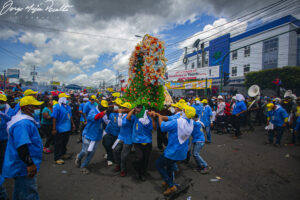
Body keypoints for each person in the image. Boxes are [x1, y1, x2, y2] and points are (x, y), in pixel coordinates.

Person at [2, 96, 44, 200]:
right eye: (35, 106)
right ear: (26, 108)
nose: (38, 109)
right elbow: (22, 145)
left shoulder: (25, 120)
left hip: (22, 163)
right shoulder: (23, 123)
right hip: (23, 165)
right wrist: (29, 164)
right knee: (29, 192)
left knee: (21, 190)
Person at [155, 105, 195, 196]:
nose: (181, 110)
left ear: (185, 112)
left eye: (183, 110)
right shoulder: (190, 121)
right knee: (169, 166)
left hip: (173, 152)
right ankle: (168, 181)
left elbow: (163, 127)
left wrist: (159, 117)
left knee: (158, 164)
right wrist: (159, 115)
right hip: (182, 152)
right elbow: (170, 117)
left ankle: (171, 185)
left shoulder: (178, 122)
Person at [75, 101, 107, 174]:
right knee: (85, 151)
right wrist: (104, 113)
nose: (103, 109)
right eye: (103, 107)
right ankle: (79, 157)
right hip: (88, 135)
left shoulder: (103, 113)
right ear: (99, 105)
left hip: (97, 136)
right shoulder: (93, 111)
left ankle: (83, 166)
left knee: (91, 153)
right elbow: (95, 117)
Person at [126, 105, 156, 181]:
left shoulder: (148, 118)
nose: (136, 113)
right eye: (135, 111)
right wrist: (133, 109)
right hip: (137, 141)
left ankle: (142, 173)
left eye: (138, 111)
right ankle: (137, 171)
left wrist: (152, 117)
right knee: (139, 158)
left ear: (142, 111)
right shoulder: (135, 117)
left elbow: (154, 128)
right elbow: (128, 117)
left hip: (147, 141)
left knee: (146, 160)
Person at [51, 93, 75, 165]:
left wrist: (73, 124)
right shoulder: (57, 107)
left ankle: (63, 154)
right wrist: (54, 128)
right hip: (59, 128)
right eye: (66, 98)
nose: (68, 100)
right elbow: (54, 118)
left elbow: (70, 116)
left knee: (65, 142)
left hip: (67, 128)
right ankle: (57, 157)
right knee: (58, 143)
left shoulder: (67, 107)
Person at [0, 94, 15, 200]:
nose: (1, 104)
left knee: (3, 157)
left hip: (5, 139)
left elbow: (11, 120)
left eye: (2, 102)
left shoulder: (9, 111)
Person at [113, 102, 133, 177]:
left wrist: (120, 114)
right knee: (115, 151)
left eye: (124, 108)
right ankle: (118, 164)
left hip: (128, 138)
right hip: (121, 136)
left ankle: (123, 169)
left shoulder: (131, 116)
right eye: (122, 107)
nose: (122, 109)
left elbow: (120, 124)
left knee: (123, 156)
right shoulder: (123, 115)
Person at [102, 100, 121, 166]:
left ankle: (113, 158)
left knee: (115, 148)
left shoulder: (123, 114)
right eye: (115, 105)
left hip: (118, 134)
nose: (116, 106)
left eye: (118, 105)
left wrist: (121, 110)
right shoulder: (111, 113)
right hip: (109, 132)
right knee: (106, 145)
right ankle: (109, 158)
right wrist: (113, 106)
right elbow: (107, 109)